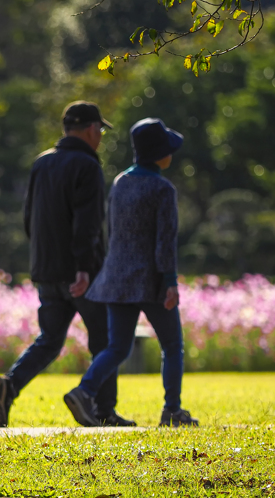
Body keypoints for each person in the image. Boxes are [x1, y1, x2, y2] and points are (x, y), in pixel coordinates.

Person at [0, 101, 134, 428]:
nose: (100, 137)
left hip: (46, 269)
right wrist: (83, 267)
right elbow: (87, 223)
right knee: (105, 340)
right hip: (82, 273)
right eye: (99, 131)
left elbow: (29, 218)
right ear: (91, 129)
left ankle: (10, 386)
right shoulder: (87, 166)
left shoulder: (42, 163)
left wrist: (43, 259)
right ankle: (102, 410)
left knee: (50, 339)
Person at [63, 117, 199, 428]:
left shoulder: (120, 181)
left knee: (117, 347)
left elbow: (111, 231)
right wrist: (169, 282)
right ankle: (172, 410)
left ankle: (84, 391)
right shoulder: (163, 188)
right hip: (150, 279)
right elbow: (165, 241)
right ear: (158, 153)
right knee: (172, 346)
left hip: (116, 277)